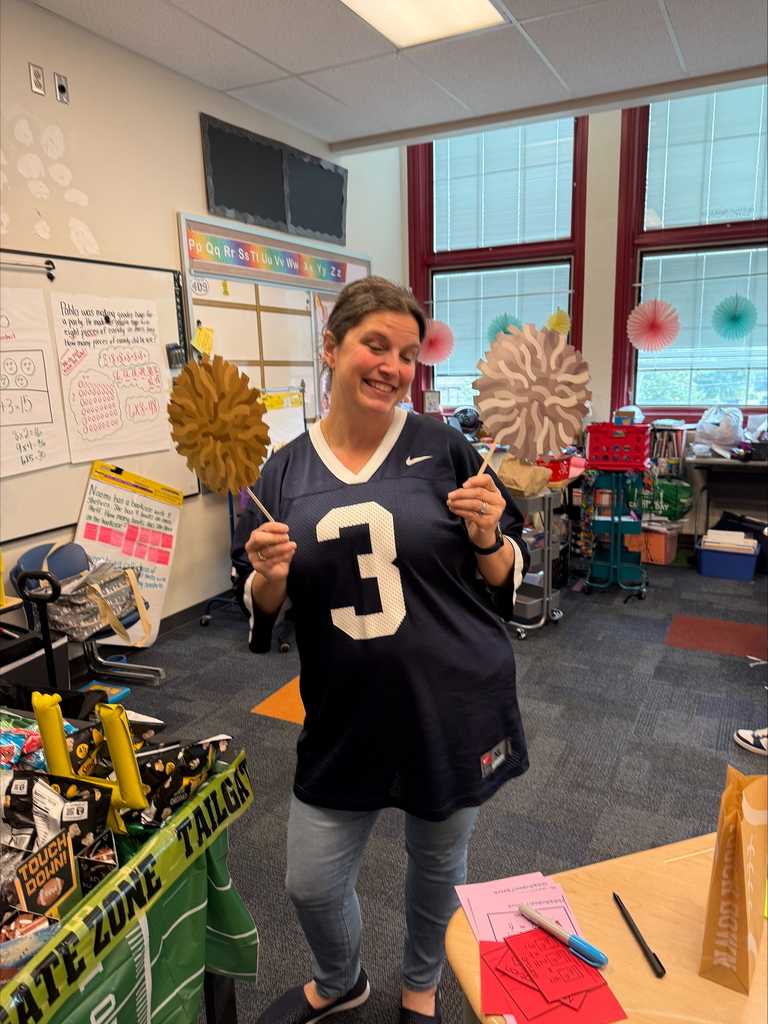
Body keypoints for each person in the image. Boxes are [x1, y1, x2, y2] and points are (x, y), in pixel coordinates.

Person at [231, 277, 531, 1024]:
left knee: (437, 866)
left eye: (407, 353)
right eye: (375, 345)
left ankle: (420, 985)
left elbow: (503, 579)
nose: (393, 365)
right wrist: (267, 578)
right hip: (345, 714)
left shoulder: (444, 447)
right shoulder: (286, 472)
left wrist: (491, 537)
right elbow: (267, 611)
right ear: (331, 348)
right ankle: (341, 981)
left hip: (456, 704)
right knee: (309, 882)